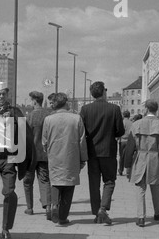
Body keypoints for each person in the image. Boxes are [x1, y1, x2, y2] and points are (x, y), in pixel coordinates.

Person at [0, 81, 35, 239]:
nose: (1, 97)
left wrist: (26, 160)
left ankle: (6, 229)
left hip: (10, 157)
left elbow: (26, 135)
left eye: (4, 94)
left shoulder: (15, 113)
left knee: (9, 192)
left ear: (7, 95)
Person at [80, 82, 124, 225]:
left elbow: (82, 131)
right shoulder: (114, 109)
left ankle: (97, 212)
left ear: (92, 93)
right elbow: (120, 131)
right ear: (104, 93)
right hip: (109, 151)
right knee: (109, 181)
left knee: (94, 183)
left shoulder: (85, 109)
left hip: (91, 152)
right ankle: (103, 209)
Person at [42, 93, 88, 226]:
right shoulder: (76, 118)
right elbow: (82, 141)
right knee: (69, 185)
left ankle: (54, 204)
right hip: (71, 156)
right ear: (66, 103)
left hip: (55, 156)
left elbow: (44, 141)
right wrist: (83, 158)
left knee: (56, 182)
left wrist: (48, 151)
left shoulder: (48, 120)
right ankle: (63, 217)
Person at [124, 100, 159, 227]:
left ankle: (141, 217)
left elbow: (130, 146)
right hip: (154, 156)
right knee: (156, 186)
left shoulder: (136, 124)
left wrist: (127, 164)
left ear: (145, 109)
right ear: (157, 110)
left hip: (140, 156)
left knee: (140, 187)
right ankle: (157, 212)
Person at [23, 91, 52, 217]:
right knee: (44, 180)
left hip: (31, 154)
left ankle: (29, 208)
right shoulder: (49, 115)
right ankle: (47, 206)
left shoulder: (30, 116)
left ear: (34, 101)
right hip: (45, 153)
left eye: (31, 100)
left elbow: (25, 136)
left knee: (28, 181)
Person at [118, 110, 133, 176]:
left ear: (123, 115)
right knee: (129, 156)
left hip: (122, 141)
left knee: (121, 156)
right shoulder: (132, 123)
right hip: (129, 141)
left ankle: (120, 170)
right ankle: (128, 171)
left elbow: (119, 131)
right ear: (129, 116)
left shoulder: (122, 122)